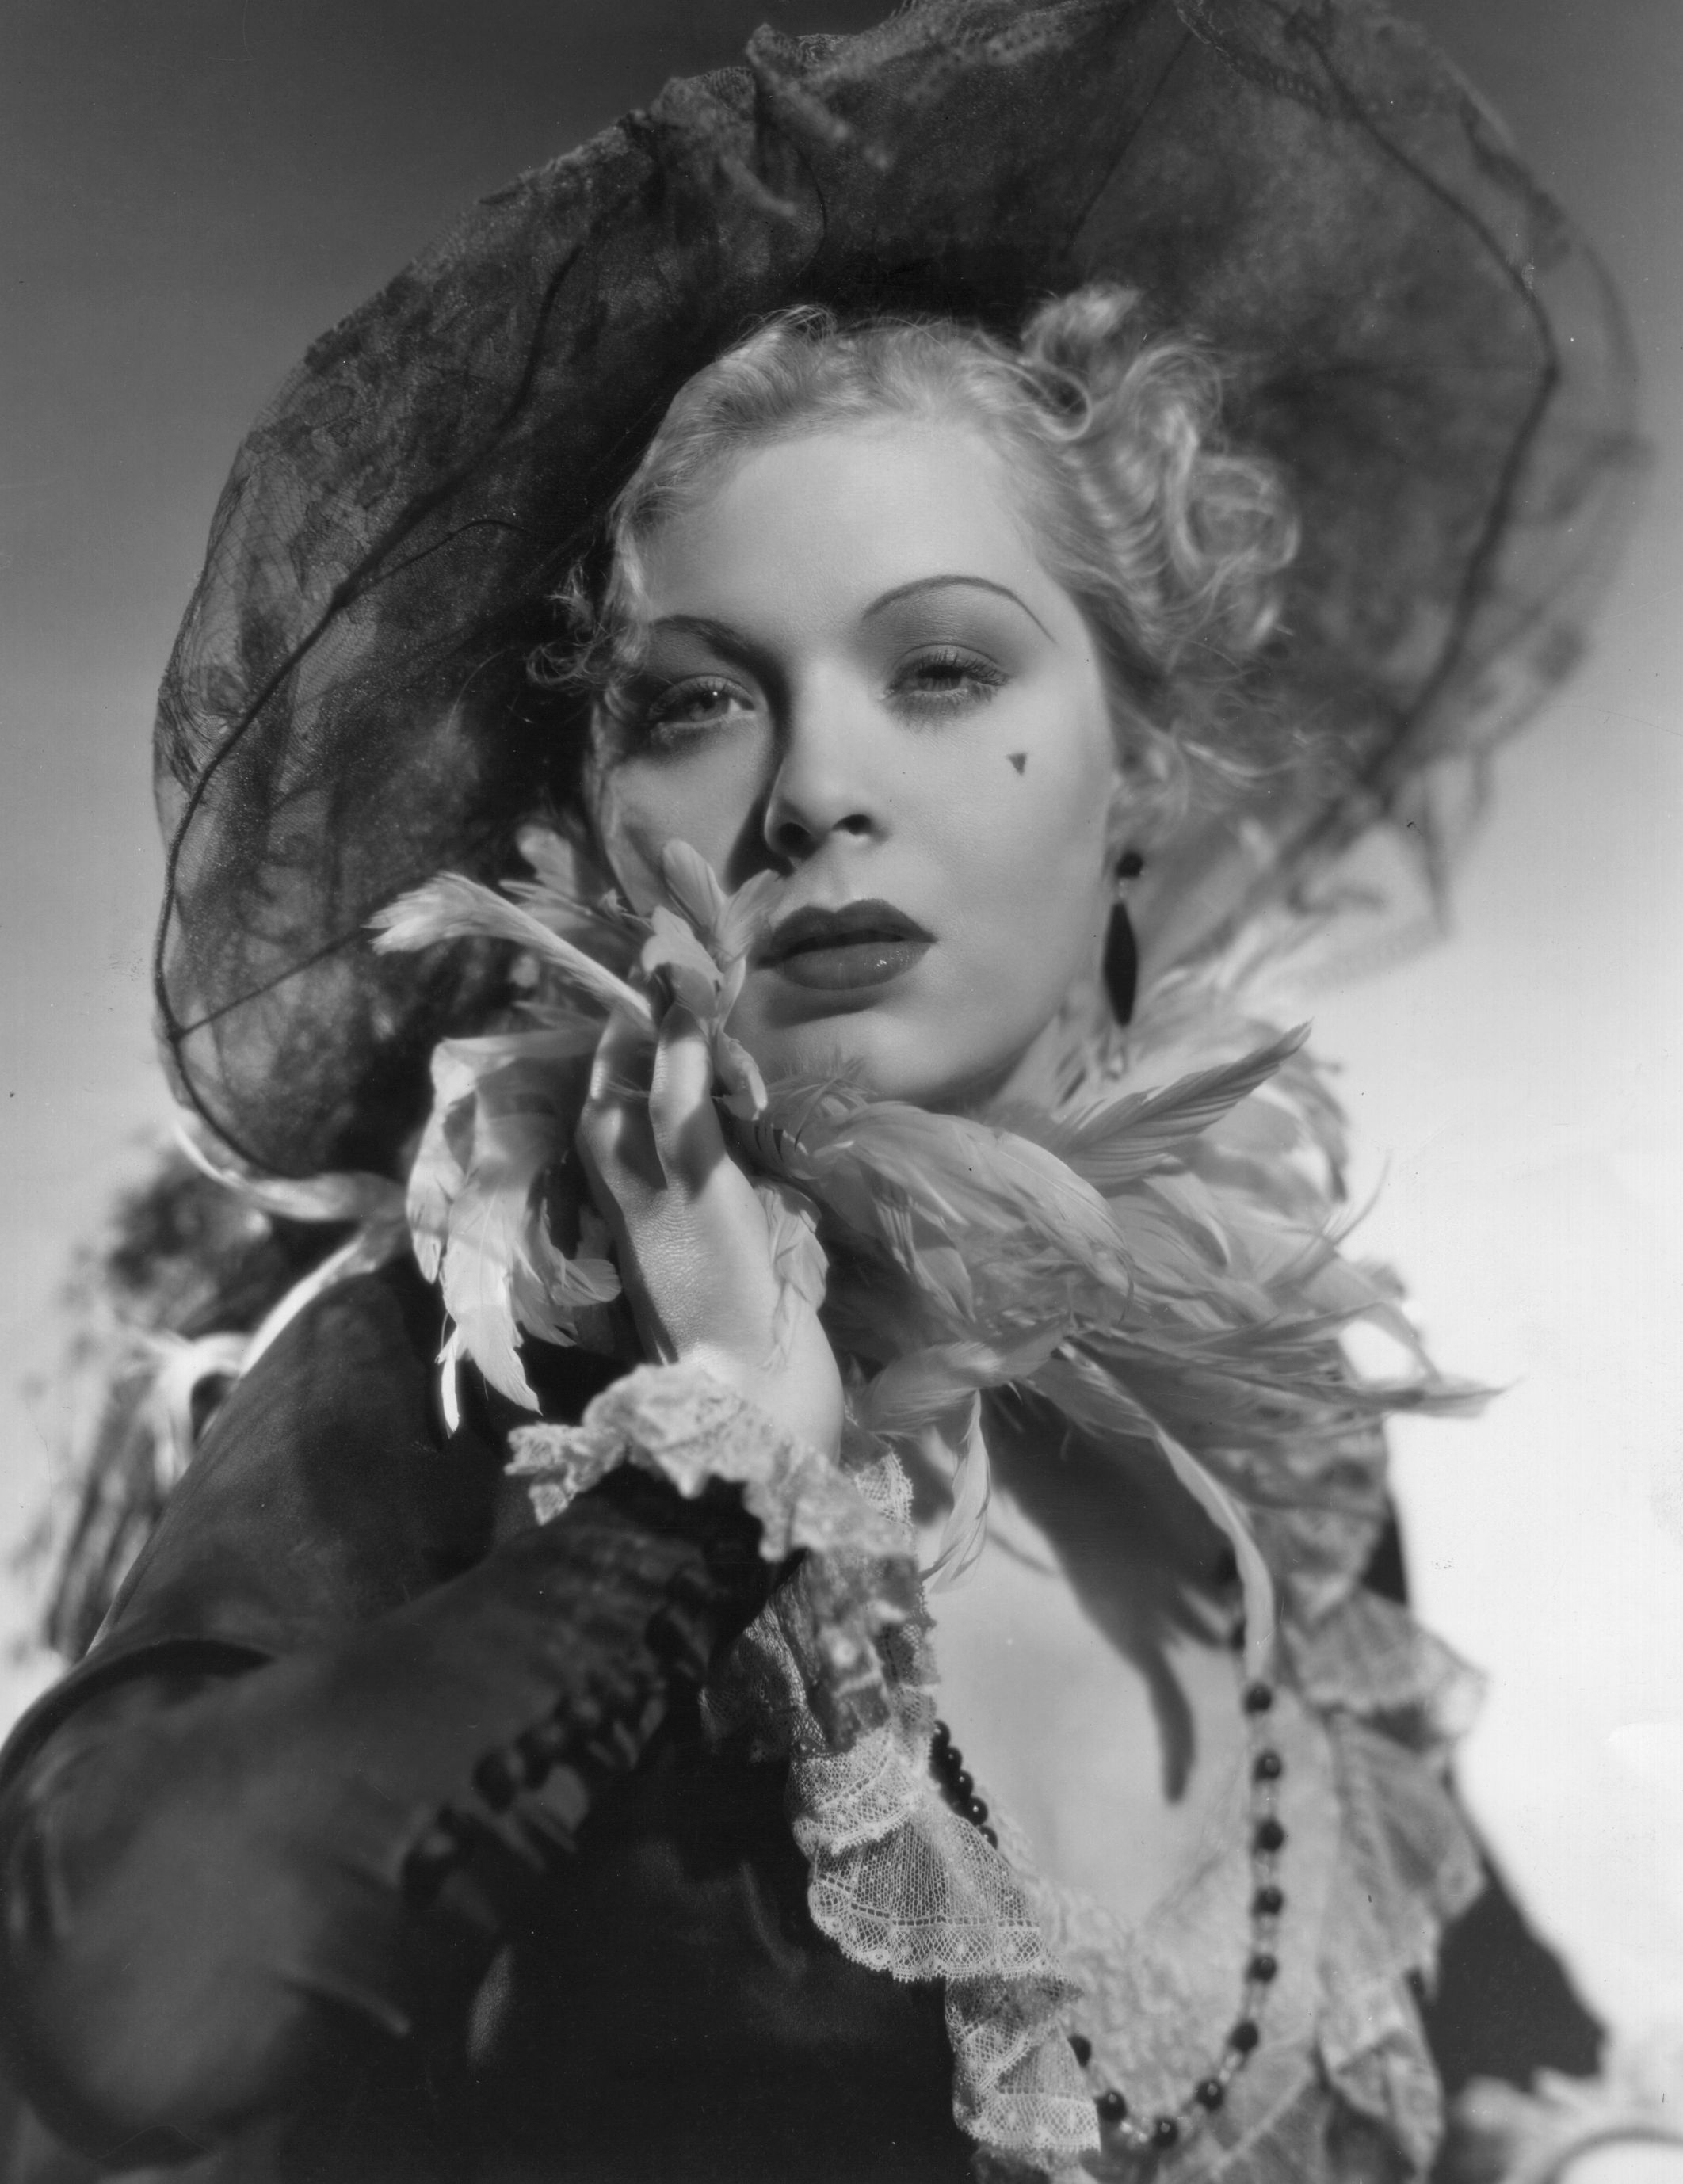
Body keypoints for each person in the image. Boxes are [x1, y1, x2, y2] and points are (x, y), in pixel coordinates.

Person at [0, 3, 1673, 2181]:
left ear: (1139, 759)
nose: (813, 794)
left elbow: (1459, 1997)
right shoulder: (471, 1378)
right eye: (696, 705)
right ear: (593, 822)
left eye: (942, 668)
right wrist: (704, 1498)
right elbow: (135, 2022)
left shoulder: (1254, 1410)